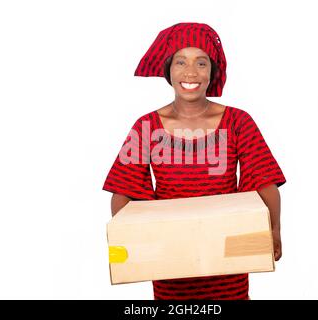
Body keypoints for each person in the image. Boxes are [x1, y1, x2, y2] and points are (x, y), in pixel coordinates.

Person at [103, 22, 286, 300]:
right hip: (171, 267)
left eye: (201, 63)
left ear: (212, 71)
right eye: (180, 62)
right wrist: (140, 242)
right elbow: (123, 192)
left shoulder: (238, 122)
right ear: (168, 70)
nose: (190, 72)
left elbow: (264, 181)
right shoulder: (146, 126)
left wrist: (273, 230)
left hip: (228, 266)